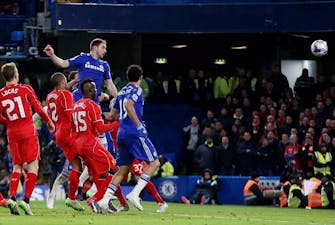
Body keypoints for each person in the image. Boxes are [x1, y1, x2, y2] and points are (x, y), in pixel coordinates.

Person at [97, 64, 160, 212]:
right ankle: (135, 193)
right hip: (134, 133)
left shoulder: (122, 91)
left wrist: (97, 115)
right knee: (154, 162)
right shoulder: (137, 90)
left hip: (121, 134)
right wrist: (139, 125)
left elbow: (112, 116)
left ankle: (104, 200)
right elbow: (129, 105)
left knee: (122, 170)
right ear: (141, 77)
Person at [0, 62, 55, 215]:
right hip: (27, 130)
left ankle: (11, 197)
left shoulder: (0, 94)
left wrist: (8, 121)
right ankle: (26, 201)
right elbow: (38, 107)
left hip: (12, 133)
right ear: (15, 75)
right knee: (33, 166)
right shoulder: (25, 89)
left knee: (17, 166)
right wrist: (49, 122)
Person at [72, 79, 124, 214]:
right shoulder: (93, 106)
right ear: (89, 90)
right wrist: (117, 124)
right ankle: (95, 199)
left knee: (100, 174)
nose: (97, 91)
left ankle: (104, 202)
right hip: (91, 144)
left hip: (79, 145)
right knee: (115, 170)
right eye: (95, 88)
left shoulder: (76, 106)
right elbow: (100, 129)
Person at [45, 72, 84, 211]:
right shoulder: (67, 95)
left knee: (75, 167)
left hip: (58, 134)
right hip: (69, 133)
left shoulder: (49, 96)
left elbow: (51, 114)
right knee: (88, 159)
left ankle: (53, 197)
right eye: (65, 82)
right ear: (62, 82)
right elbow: (70, 114)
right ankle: (90, 195)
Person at [43, 38, 118, 102]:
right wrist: (52, 55)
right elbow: (63, 63)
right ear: (95, 48)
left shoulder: (104, 65)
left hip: (94, 101)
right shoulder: (82, 58)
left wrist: (119, 99)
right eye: (103, 47)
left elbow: (110, 85)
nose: (105, 51)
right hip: (78, 99)